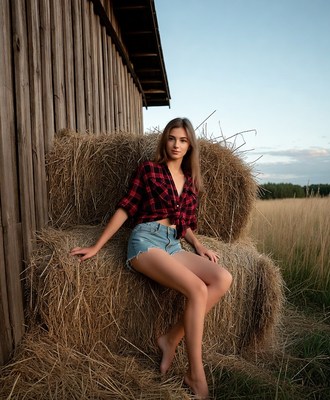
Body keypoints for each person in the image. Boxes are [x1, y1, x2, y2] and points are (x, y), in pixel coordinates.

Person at [70, 117, 232, 399]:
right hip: (145, 241)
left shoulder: (191, 182)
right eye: (172, 138)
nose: (177, 145)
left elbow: (186, 224)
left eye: (183, 140)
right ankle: (196, 376)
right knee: (196, 289)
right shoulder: (149, 170)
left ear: (190, 144)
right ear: (164, 140)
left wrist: (199, 246)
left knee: (222, 278)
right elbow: (126, 208)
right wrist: (96, 246)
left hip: (173, 243)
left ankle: (170, 339)